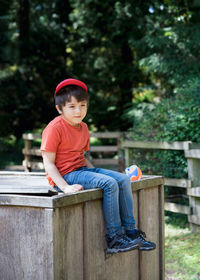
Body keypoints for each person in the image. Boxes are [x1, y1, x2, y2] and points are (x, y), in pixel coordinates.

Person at [40, 78, 156, 254]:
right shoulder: (54, 128)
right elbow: (48, 162)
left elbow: (82, 157)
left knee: (123, 179)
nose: (78, 110)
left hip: (82, 170)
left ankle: (131, 232)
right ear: (59, 109)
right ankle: (114, 238)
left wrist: (96, 174)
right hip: (65, 176)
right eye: (71, 107)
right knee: (109, 184)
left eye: (83, 105)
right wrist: (65, 187)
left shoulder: (83, 127)